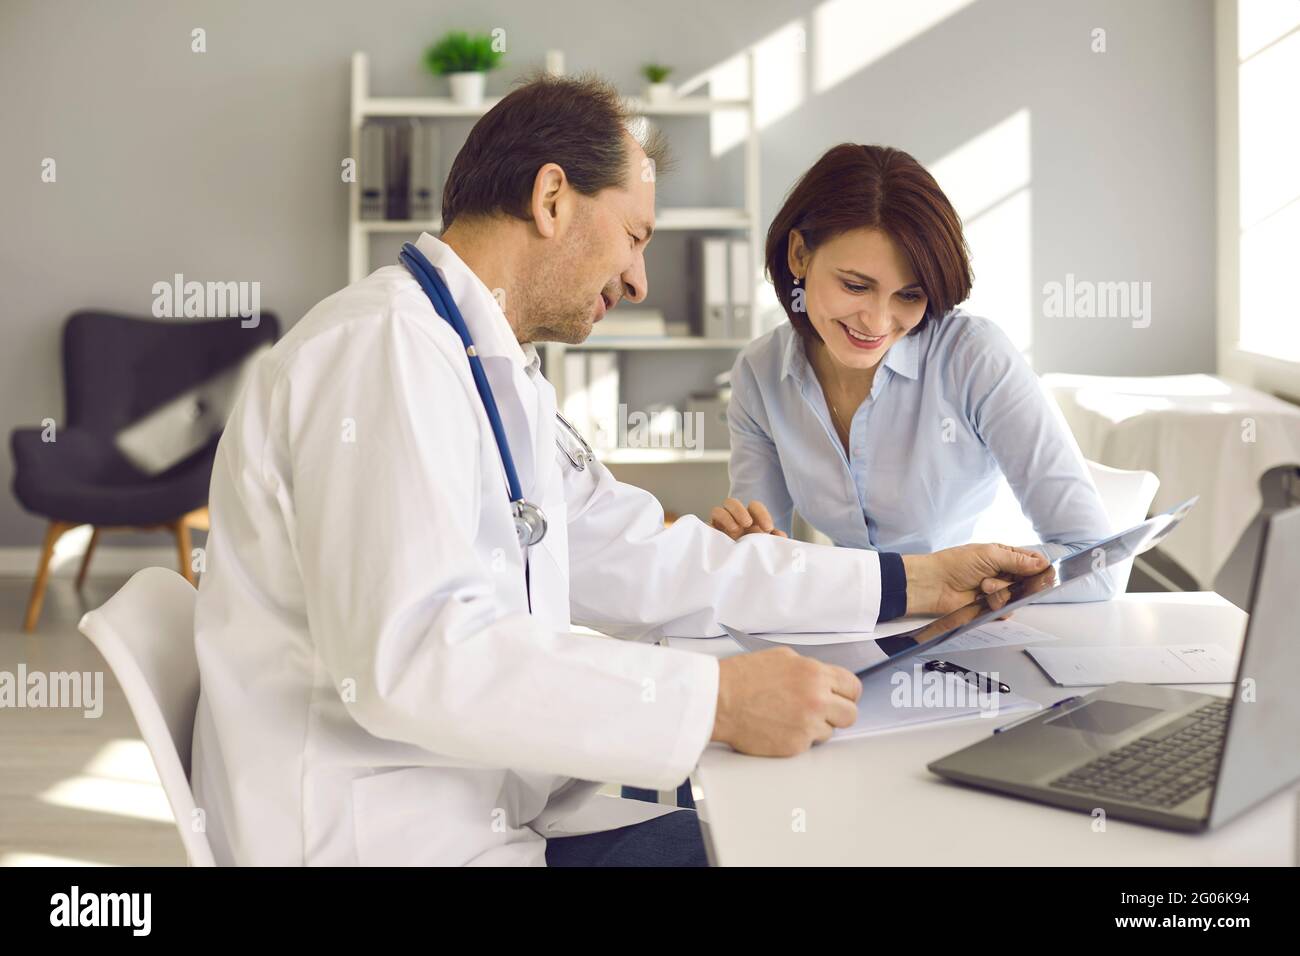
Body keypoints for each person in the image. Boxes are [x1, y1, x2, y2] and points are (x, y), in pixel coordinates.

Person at [190, 75, 1049, 868]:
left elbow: (649, 556)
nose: (638, 278)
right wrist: (712, 701)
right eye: (636, 236)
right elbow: (414, 661)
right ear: (553, 198)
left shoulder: (489, 371)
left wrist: (910, 582)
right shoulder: (379, 353)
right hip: (391, 843)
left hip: (489, 813)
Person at [710, 144, 1116, 603]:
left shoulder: (973, 358)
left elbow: (1097, 562)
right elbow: (758, 557)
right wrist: (750, 552)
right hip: (850, 621)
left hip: (976, 626)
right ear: (800, 255)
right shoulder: (760, 373)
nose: (878, 322)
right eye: (856, 286)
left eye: (909, 295)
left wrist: (964, 584)